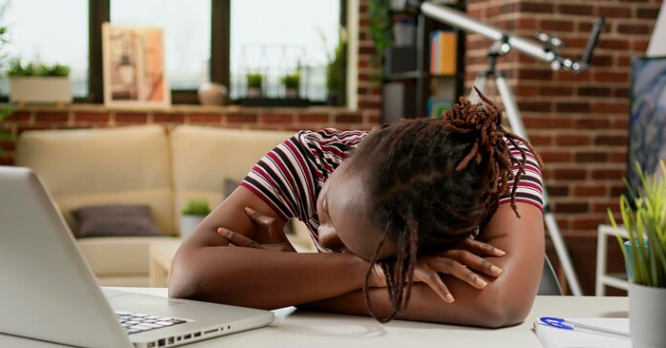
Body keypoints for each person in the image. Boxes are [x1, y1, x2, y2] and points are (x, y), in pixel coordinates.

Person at [169, 91, 545, 327]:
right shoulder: (309, 158)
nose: (325, 237)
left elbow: (500, 302)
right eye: (326, 206)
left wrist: (293, 283)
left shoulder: (499, 165)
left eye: (364, 251)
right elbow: (189, 276)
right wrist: (368, 270)